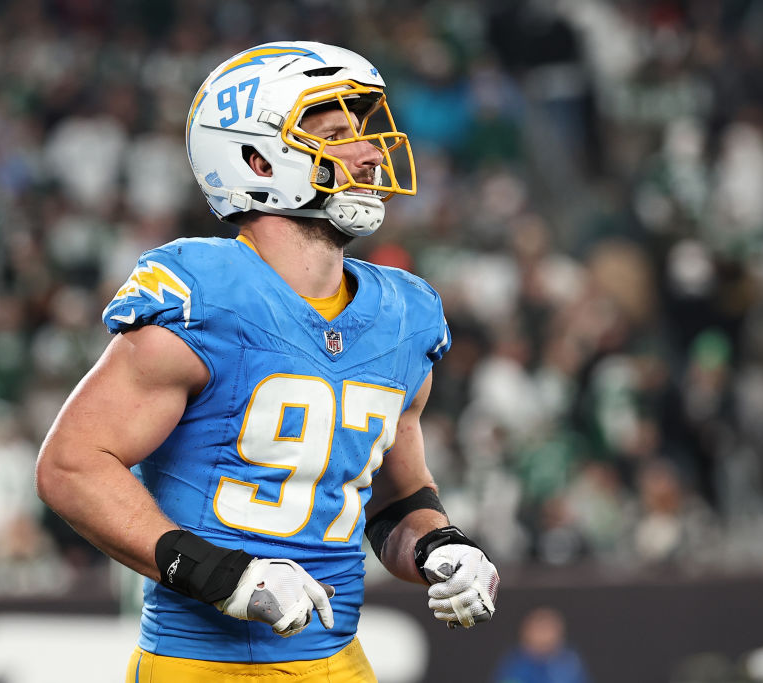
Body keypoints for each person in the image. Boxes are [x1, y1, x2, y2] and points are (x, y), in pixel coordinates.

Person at [35, 40, 500, 682]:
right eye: (337, 135)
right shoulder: (208, 292)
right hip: (201, 666)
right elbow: (71, 465)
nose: (367, 152)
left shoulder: (405, 312)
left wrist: (443, 548)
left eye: (363, 133)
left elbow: (395, 503)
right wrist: (220, 576)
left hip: (336, 660)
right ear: (259, 158)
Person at [493, 608, 592, 683]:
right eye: (539, 630)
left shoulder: (571, 661)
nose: (544, 636)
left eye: (548, 629)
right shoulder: (514, 663)